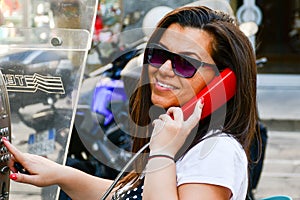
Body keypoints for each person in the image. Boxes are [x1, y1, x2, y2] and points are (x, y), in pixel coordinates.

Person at [3, 6, 259, 200]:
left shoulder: (215, 151)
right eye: (158, 55)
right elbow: (129, 195)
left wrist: (162, 152)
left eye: (185, 63)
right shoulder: (183, 139)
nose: (165, 70)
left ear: (223, 82)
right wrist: (58, 173)